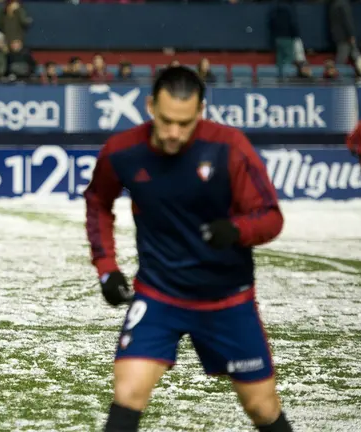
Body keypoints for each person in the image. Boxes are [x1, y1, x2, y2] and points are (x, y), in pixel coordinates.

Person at [84, 66, 293, 432]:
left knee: (262, 408)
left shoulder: (228, 147)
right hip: (158, 295)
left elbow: (270, 217)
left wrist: (236, 230)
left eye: (185, 123)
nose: (174, 133)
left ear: (200, 112)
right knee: (127, 394)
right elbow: (98, 201)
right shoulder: (124, 151)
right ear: (150, 106)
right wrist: (106, 267)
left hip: (227, 299)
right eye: (166, 121)